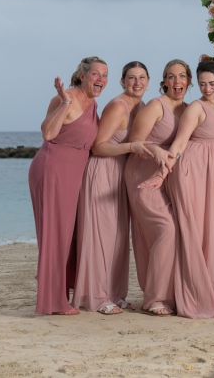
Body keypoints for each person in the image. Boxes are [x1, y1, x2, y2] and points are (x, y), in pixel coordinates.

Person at [140, 61, 214, 319]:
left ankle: (210, 291)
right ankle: (193, 295)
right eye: (202, 84)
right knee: (194, 233)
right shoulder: (196, 106)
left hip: (213, 175)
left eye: (212, 83)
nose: (207, 88)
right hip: (192, 172)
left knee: (211, 233)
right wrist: (162, 175)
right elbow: (180, 143)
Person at [28, 56, 107, 315]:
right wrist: (63, 101)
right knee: (55, 236)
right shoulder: (67, 98)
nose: (101, 79)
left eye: (104, 75)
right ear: (82, 75)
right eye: (96, 74)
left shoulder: (94, 104)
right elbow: (48, 133)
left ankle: (62, 293)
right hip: (52, 168)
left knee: (68, 236)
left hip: (73, 174)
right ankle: (54, 301)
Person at [72, 61, 152, 315]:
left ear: (148, 81)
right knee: (100, 236)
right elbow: (98, 146)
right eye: (131, 78)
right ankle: (96, 296)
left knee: (118, 237)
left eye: (141, 78)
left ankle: (116, 293)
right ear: (122, 82)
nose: (137, 83)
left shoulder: (142, 107)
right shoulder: (118, 106)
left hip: (121, 176)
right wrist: (131, 148)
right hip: (103, 172)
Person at [125, 59, 192, 316]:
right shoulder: (156, 106)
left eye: (182, 76)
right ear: (164, 81)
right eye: (172, 77)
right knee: (166, 230)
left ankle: (169, 293)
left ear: (188, 81)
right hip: (142, 176)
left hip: (169, 179)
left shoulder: (189, 109)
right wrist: (156, 150)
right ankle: (154, 298)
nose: (177, 82)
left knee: (170, 234)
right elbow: (136, 142)